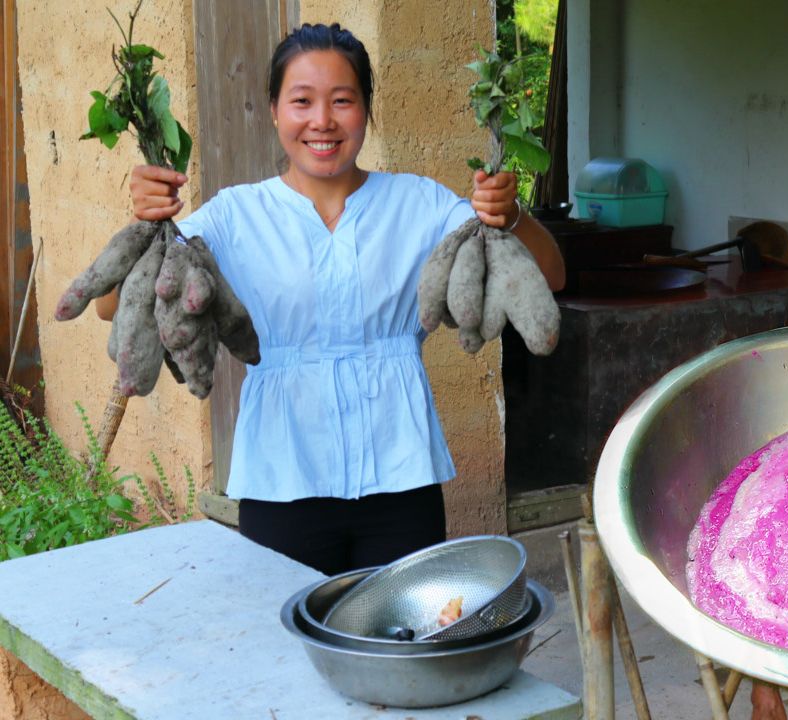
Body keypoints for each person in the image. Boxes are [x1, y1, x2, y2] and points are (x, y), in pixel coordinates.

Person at [97, 22, 565, 576]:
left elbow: (551, 275)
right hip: (281, 480)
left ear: (366, 110)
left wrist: (509, 216)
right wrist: (145, 224)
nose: (322, 120)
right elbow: (111, 307)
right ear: (274, 111)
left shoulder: (420, 205)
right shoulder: (233, 217)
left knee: (402, 625)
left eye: (342, 100)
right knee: (285, 630)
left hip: (400, 478)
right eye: (302, 101)